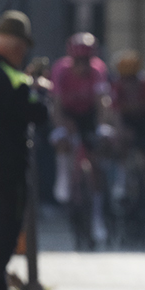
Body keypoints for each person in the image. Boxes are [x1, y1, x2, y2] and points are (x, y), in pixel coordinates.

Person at [0, 11, 48, 290]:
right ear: (17, 46)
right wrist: (39, 91)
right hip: (7, 165)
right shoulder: (15, 78)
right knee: (7, 226)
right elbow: (37, 114)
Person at [50, 32, 112, 241]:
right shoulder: (60, 70)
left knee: (95, 163)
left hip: (89, 115)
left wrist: (102, 126)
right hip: (67, 114)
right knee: (62, 141)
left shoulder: (98, 70)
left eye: (86, 61)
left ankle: (97, 217)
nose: (82, 66)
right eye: (78, 61)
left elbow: (102, 102)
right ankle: (63, 177)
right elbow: (56, 104)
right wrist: (60, 126)